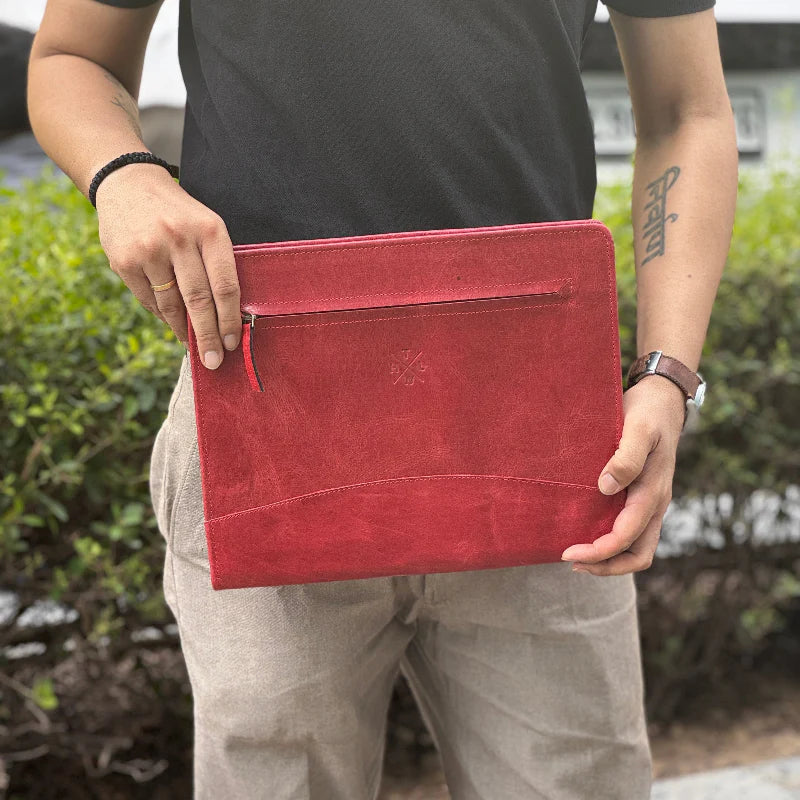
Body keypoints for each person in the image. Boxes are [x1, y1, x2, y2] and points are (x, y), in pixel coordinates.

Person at [27, 0, 737, 797]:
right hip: (263, 426)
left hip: (543, 441)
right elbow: (70, 58)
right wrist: (124, 177)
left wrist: (667, 378)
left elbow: (688, 111)